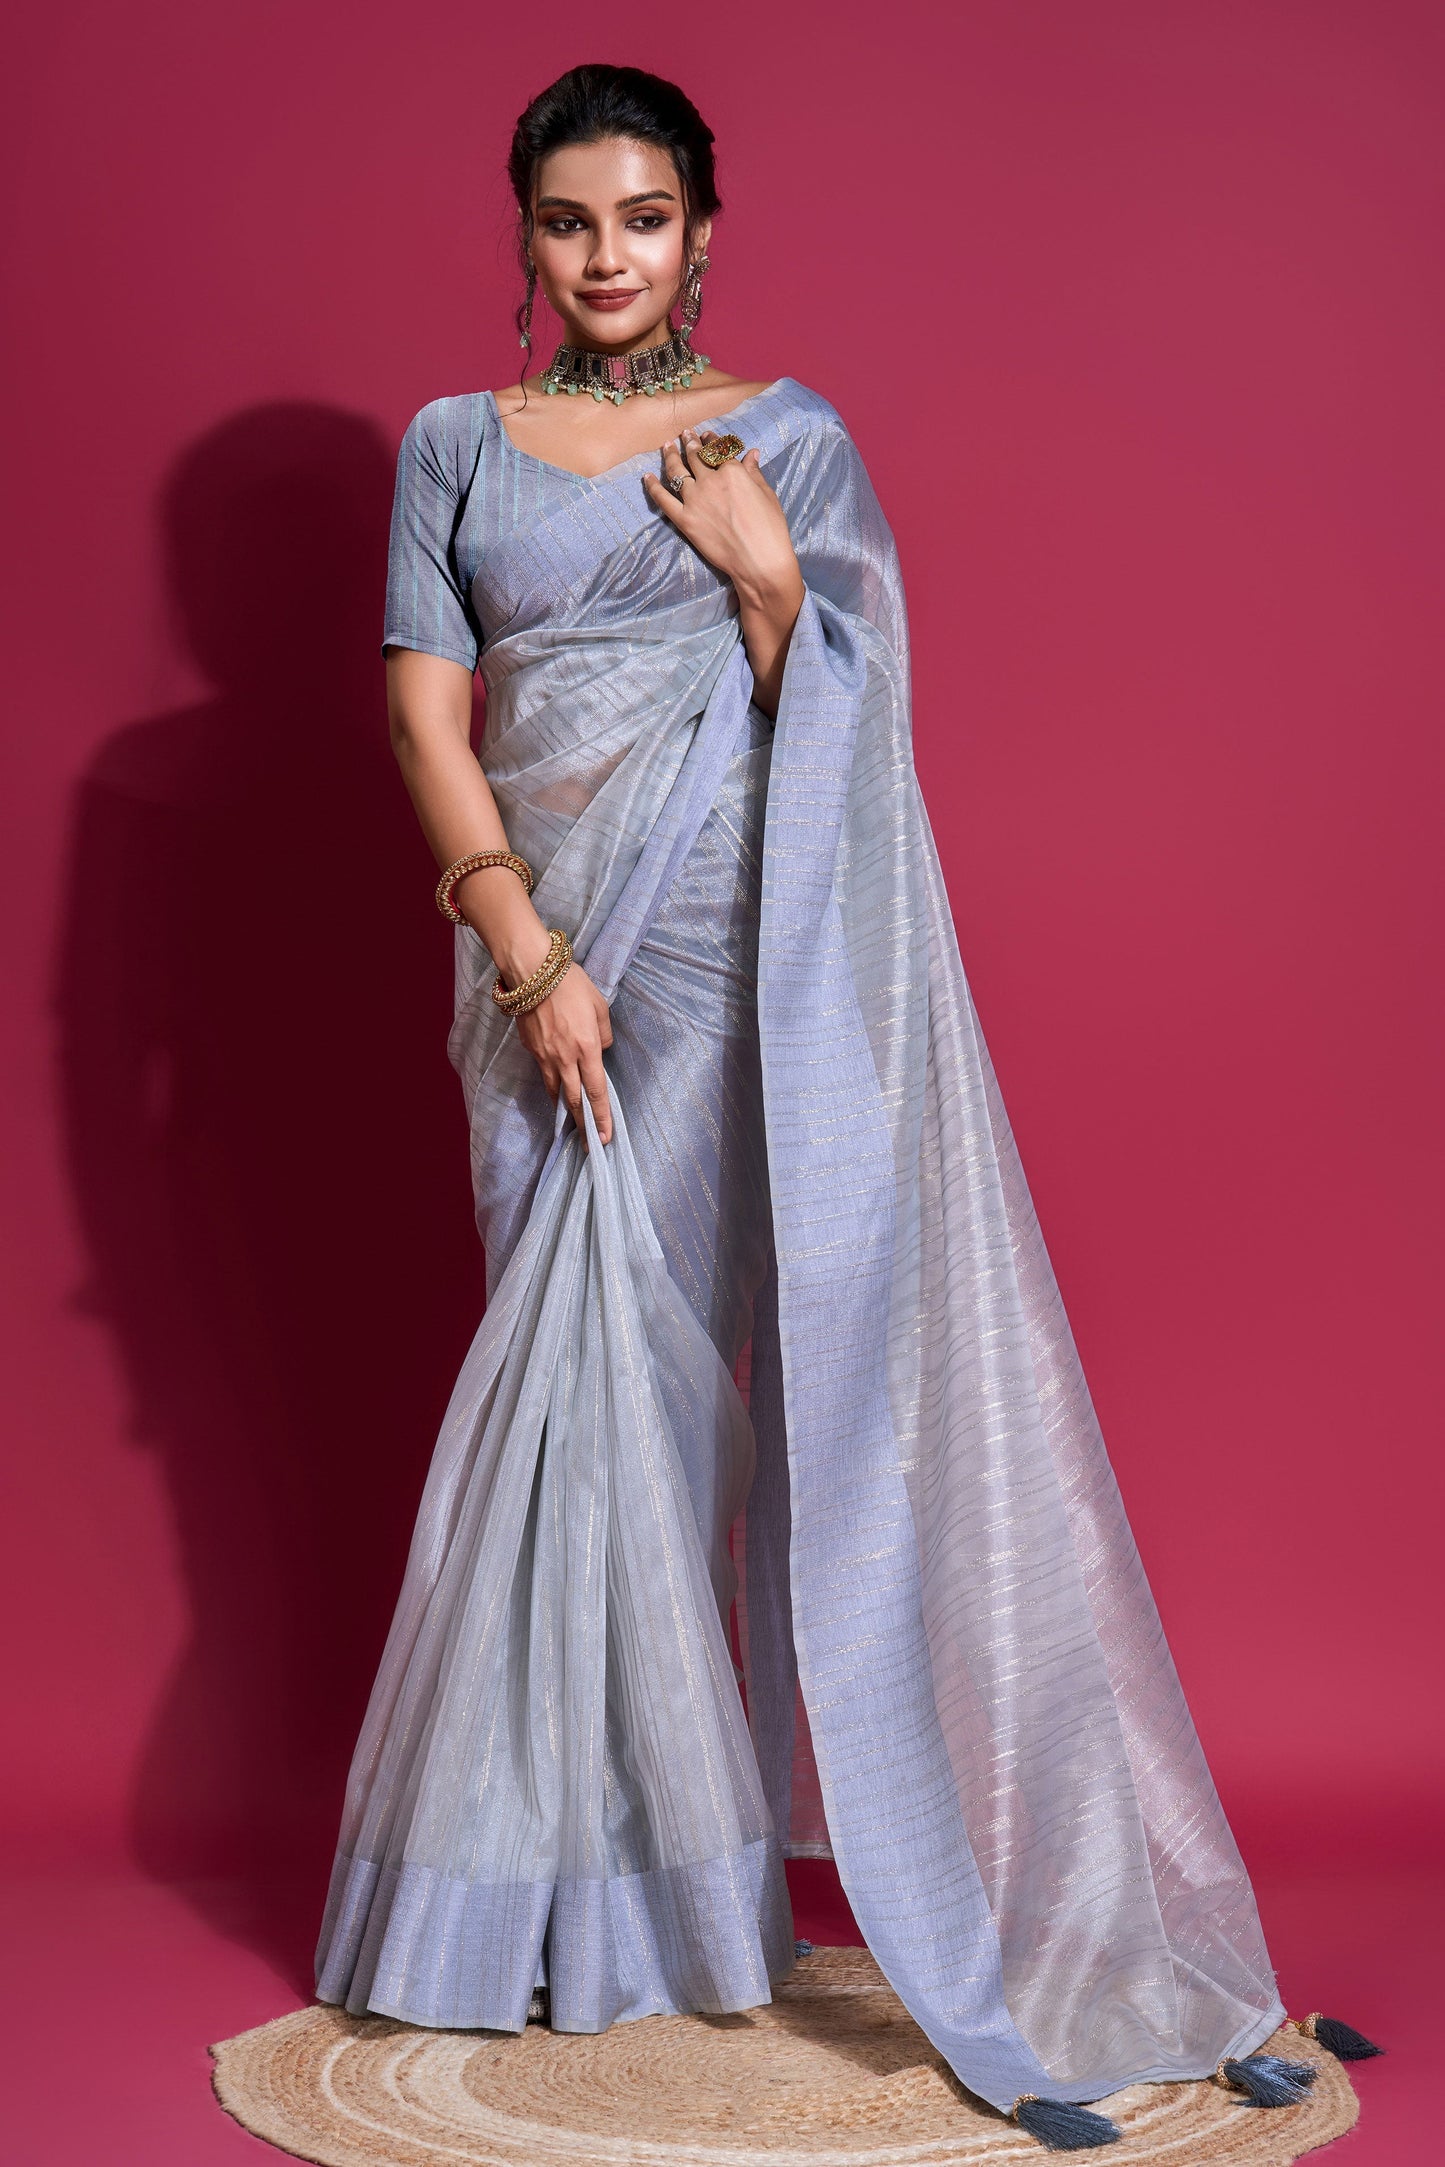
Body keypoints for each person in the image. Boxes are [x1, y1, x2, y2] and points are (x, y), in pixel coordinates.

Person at [313, 62, 1376, 2151]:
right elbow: (426, 716)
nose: (606, 257)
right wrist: (526, 952)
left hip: (731, 959)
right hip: (535, 966)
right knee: (569, 1394)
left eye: (643, 218)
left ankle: (693, 1906)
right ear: (522, 235)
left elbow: (852, 728)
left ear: (705, 231)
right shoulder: (454, 444)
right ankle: (559, 1906)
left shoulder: (781, 444)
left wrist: (776, 585)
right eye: (567, 221)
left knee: (683, 1395)